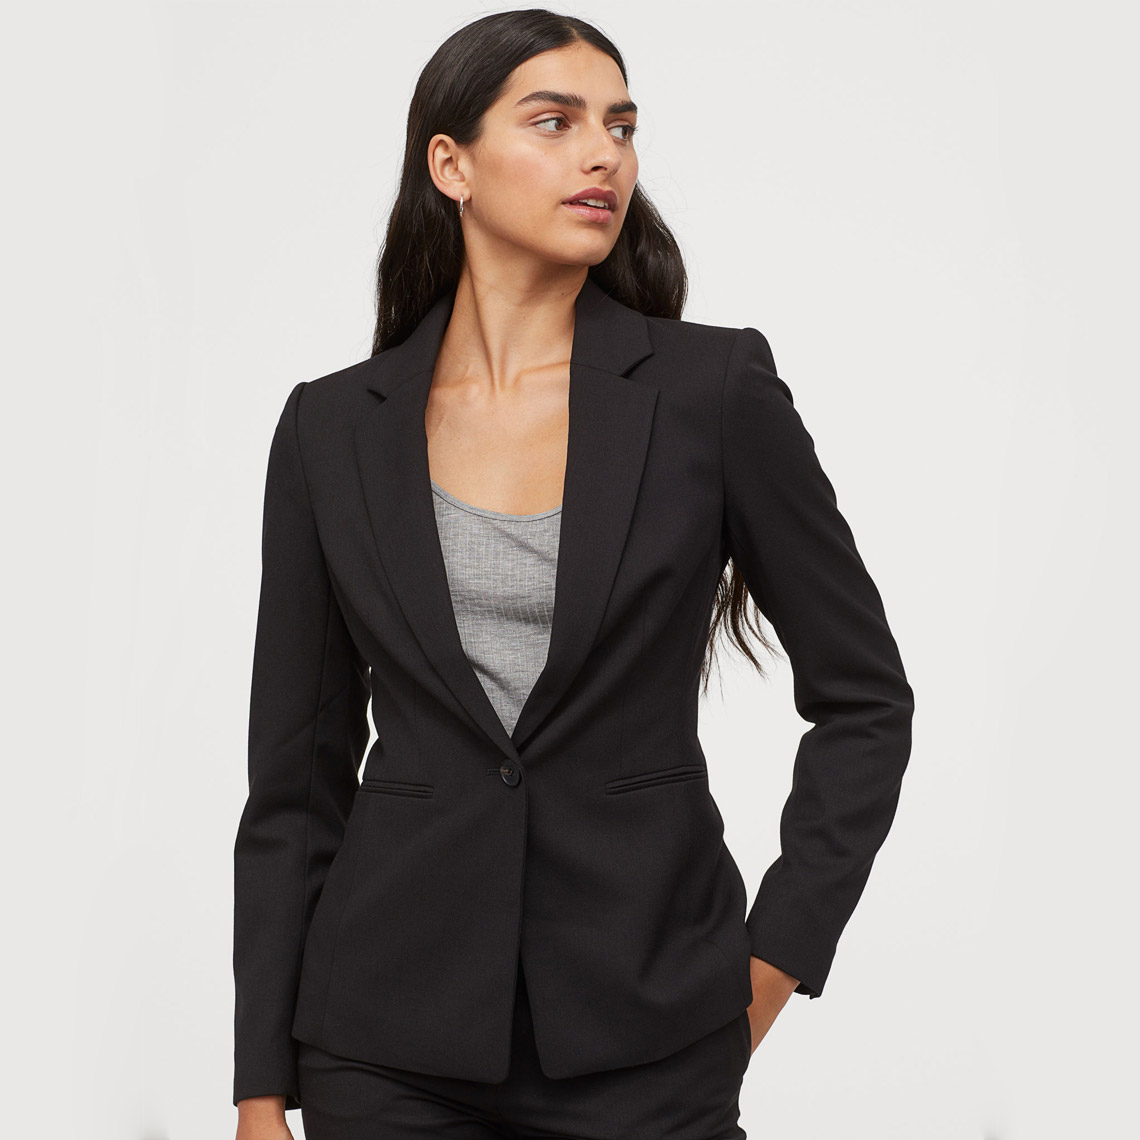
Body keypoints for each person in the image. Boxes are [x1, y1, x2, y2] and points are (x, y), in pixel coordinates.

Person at [232, 9, 914, 1140]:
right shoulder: (330, 428)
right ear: (450, 164)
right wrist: (260, 1088)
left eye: (621, 127)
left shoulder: (712, 393)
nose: (603, 154)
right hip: (381, 1045)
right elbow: (295, 780)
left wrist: (770, 966)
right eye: (554, 122)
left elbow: (867, 701)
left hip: (649, 1034)